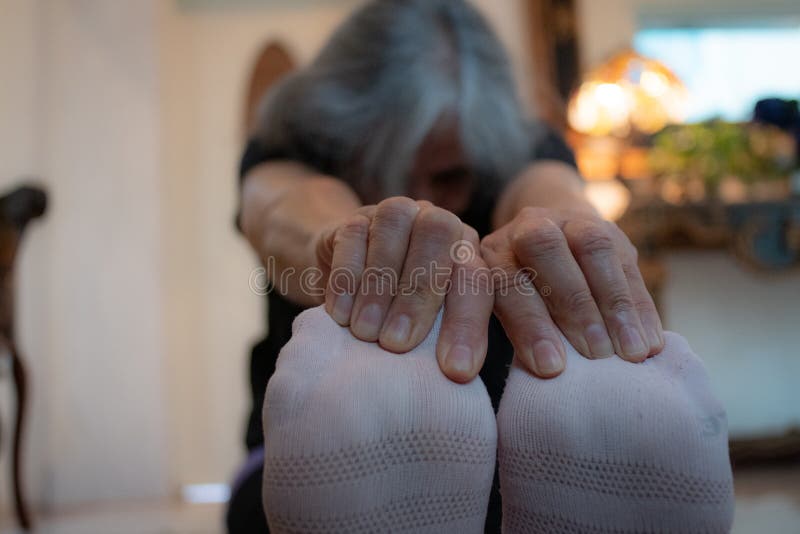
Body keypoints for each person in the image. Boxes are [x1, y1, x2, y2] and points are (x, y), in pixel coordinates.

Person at [227, 1, 733, 532]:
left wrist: (568, 230)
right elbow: (280, 204)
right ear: (338, 135)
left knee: (506, 475)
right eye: (379, 167)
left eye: (448, 177)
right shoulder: (291, 146)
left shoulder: (514, 146)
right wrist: (340, 242)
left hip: (505, 460)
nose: (420, 199)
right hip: (279, 457)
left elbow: (546, 184)